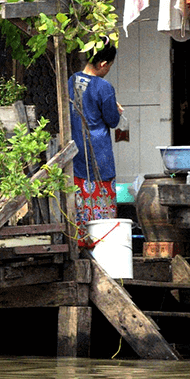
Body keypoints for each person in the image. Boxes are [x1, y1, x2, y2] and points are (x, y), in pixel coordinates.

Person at [68, 39, 123, 246]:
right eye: (109, 65)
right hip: (99, 154)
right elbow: (112, 120)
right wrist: (116, 109)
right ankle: (102, 244)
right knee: (102, 202)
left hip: (76, 154)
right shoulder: (104, 87)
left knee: (80, 202)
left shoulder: (71, 81)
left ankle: (82, 244)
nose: (108, 69)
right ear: (102, 64)